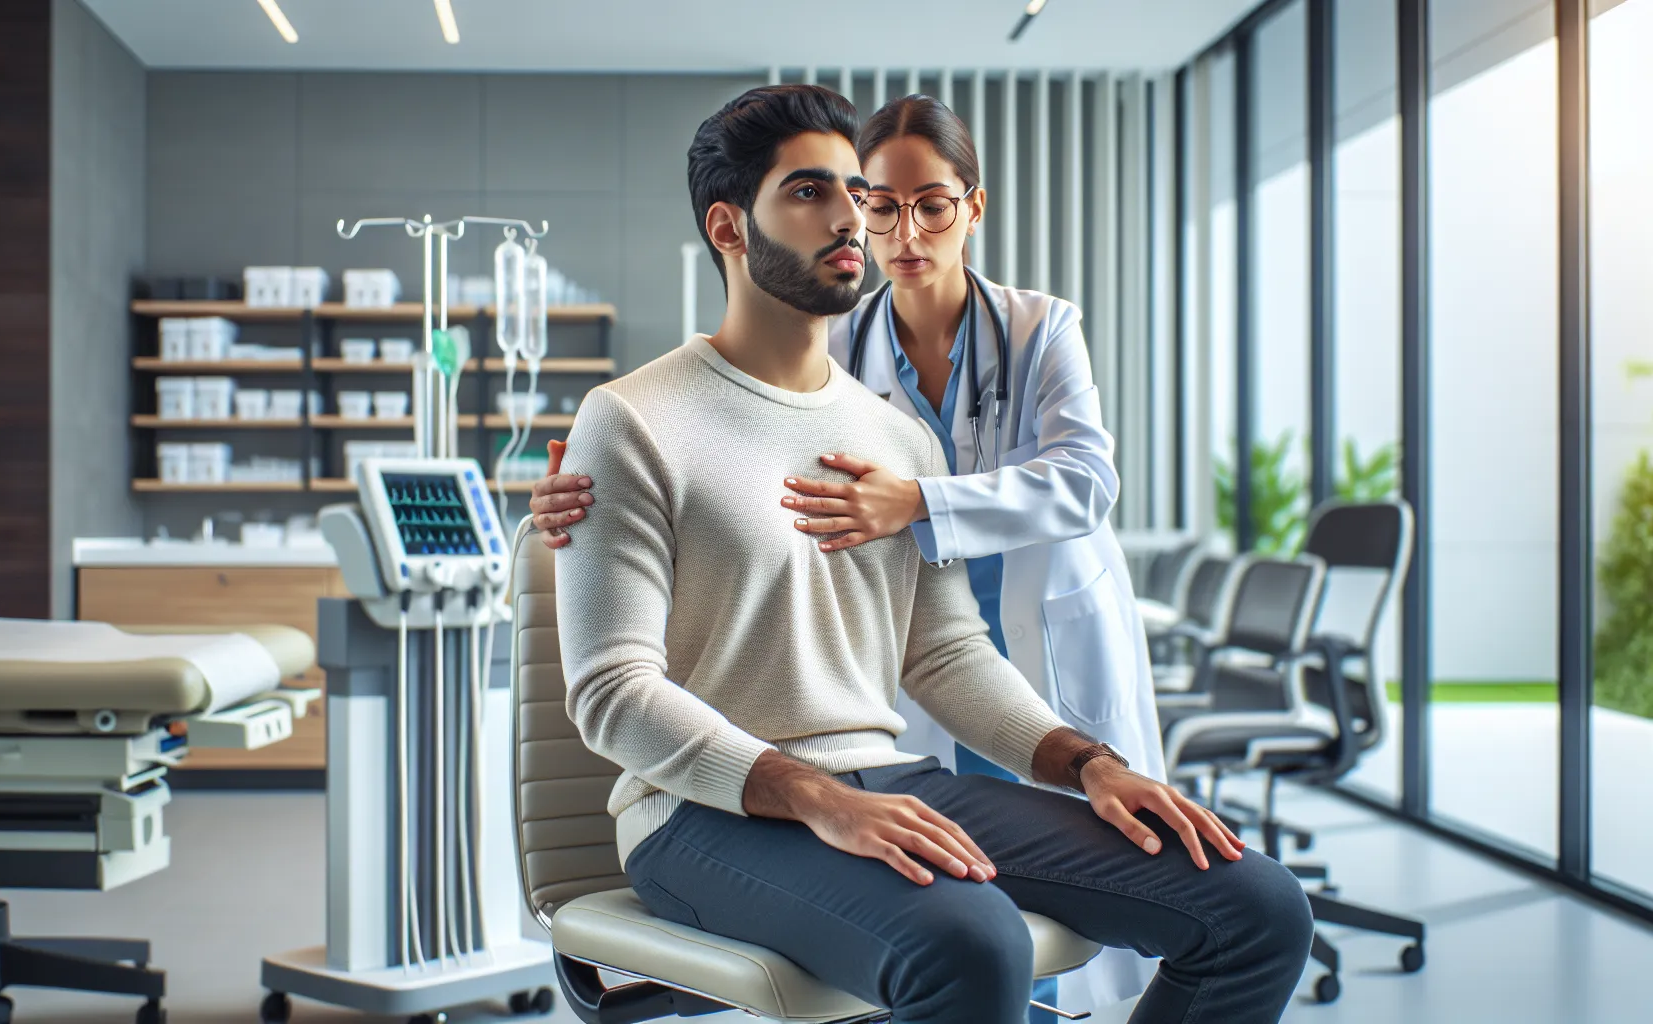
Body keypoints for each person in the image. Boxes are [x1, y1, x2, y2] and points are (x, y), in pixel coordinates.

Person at [548, 83, 1313, 1024]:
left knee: (1257, 908)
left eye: (852, 191)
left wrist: (1089, 765)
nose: (851, 219)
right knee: (974, 945)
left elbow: (943, 653)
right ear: (728, 226)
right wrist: (814, 796)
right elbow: (612, 690)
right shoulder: (632, 420)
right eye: (808, 193)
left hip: (888, 774)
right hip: (700, 816)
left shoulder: (898, 439)